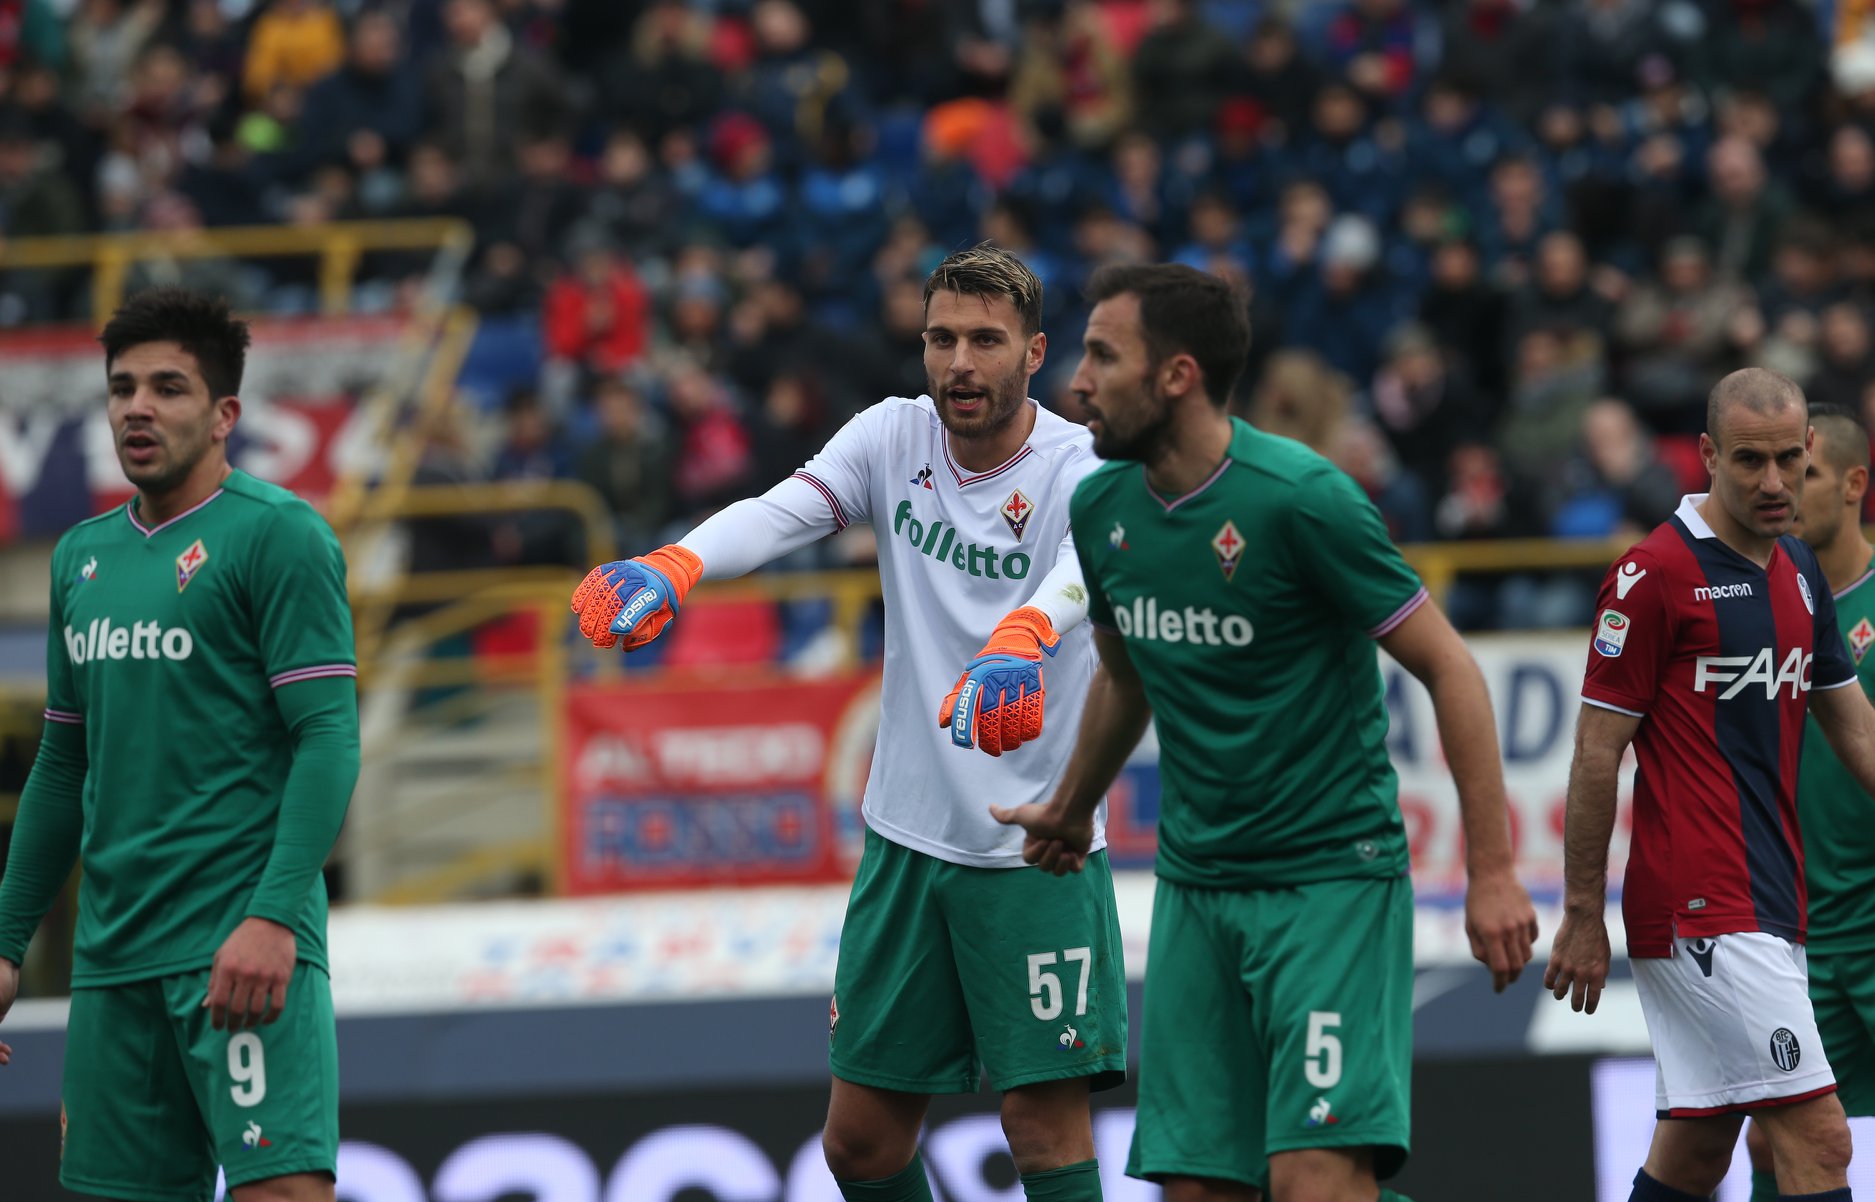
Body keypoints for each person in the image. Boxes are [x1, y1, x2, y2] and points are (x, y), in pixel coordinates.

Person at [570, 246, 1121, 1202]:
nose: (959, 362)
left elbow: (1082, 574)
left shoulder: (1080, 466)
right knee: (860, 1145)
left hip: (1034, 847)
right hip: (906, 841)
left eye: (985, 341)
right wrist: (677, 565)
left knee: (1043, 1127)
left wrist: (1027, 632)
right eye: (941, 338)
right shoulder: (891, 436)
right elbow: (781, 512)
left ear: (1034, 355)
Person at [992, 262, 1539, 1202]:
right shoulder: (1100, 508)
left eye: (1102, 355)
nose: (1074, 381)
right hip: (1197, 890)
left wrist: (1490, 871)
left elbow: (1450, 666)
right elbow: (1126, 681)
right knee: (1200, 1190)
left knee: (1313, 1183)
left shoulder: (1302, 500)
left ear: (1178, 376)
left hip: (1329, 882)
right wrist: (1072, 808)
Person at [0, 288, 359, 1202]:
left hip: (238, 947)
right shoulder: (80, 557)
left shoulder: (279, 536)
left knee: (282, 1193)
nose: (138, 409)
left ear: (224, 414)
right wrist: (5, 942)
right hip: (113, 961)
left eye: (168, 388)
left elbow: (325, 738)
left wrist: (275, 917)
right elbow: (61, 766)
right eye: (122, 389)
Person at [1546, 368, 1875, 1202]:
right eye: (1746, 461)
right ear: (1705, 456)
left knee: (1695, 1154)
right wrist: (1581, 912)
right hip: (1701, 904)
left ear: (1808, 453)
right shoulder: (1650, 576)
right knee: (1819, 1141)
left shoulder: (1797, 571)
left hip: (1768, 898)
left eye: (1787, 461)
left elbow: (1856, 731)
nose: (1772, 483)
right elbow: (1593, 755)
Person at [1741, 402, 1875, 1202]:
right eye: (1775, 468)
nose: (1783, 487)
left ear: (1856, 484)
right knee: (1777, 1149)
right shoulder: (1757, 608)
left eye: (1806, 471)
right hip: (1798, 940)